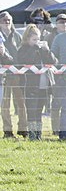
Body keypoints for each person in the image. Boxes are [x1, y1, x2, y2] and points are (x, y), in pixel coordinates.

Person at [15, 25, 57, 140]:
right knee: (32, 112)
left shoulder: (42, 49)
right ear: (27, 39)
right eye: (34, 40)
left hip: (44, 86)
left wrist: (47, 50)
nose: (37, 42)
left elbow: (53, 61)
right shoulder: (23, 49)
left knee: (39, 111)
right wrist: (34, 48)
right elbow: (25, 61)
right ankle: (32, 136)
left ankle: (38, 135)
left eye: (38, 39)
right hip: (30, 86)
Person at [0, 10, 27, 138]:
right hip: (3, 76)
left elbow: (22, 54)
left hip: (17, 74)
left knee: (21, 102)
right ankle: (8, 131)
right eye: (4, 20)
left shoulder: (17, 36)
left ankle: (23, 129)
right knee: (5, 104)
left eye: (9, 20)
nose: (6, 22)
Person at [48, 14, 66, 135]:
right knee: (56, 103)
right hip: (55, 74)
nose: (64, 25)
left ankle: (65, 127)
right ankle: (55, 129)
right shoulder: (50, 37)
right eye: (61, 22)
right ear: (56, 24)